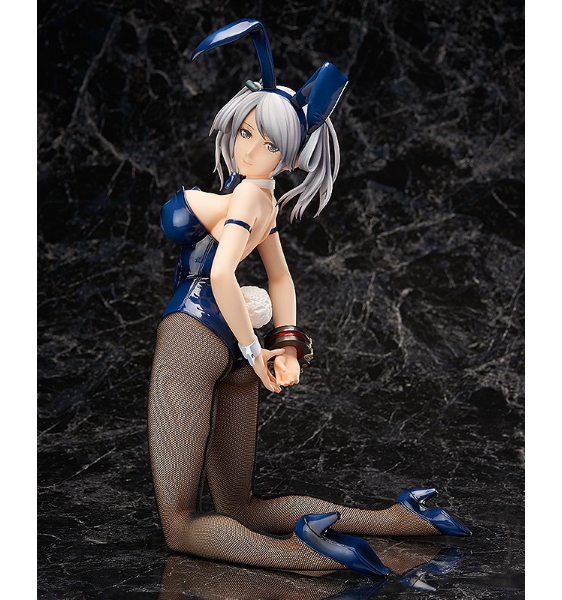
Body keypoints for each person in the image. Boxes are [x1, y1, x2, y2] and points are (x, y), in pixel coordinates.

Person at [148, 19, 470, 577]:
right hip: (236, 337)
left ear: (292, 156)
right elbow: (280, 279)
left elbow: (222, 273)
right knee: (240, 505)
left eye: (270, 143)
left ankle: (304, 555)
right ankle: (401, 518)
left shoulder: (247, 200)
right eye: (246, 133)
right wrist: (287, 345)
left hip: (193, 335)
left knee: (179, 524)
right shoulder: (262, 199)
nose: (251, 149)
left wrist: (255, 351)